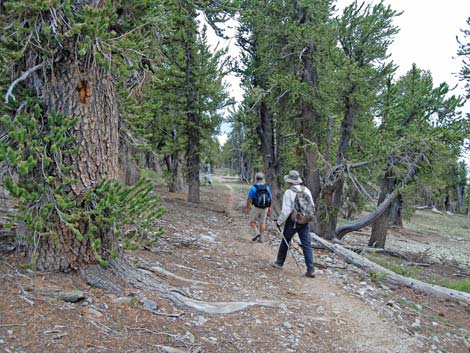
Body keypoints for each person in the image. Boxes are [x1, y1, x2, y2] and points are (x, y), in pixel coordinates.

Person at [272, 170, 315, 278]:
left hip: (293, 221)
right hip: (305, 221)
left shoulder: (289, 192)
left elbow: (286, 211)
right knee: (307, 245)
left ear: (290, 181)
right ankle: (311, 269)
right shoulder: (306, 190)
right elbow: (312, 206)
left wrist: (279, 222)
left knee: (285, 241)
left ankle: (279, 262)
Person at [244, 172, 272, 243]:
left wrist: (247, 208)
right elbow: (270, 197)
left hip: (256, 207)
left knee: (251, 221)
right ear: (262, 179)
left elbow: (249, 199)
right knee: (262, 222)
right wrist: (269, 207)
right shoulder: (267, 187)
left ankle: (257, 233)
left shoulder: (254, 188)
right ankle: (261, 238)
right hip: (265, 207)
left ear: (256, 178)